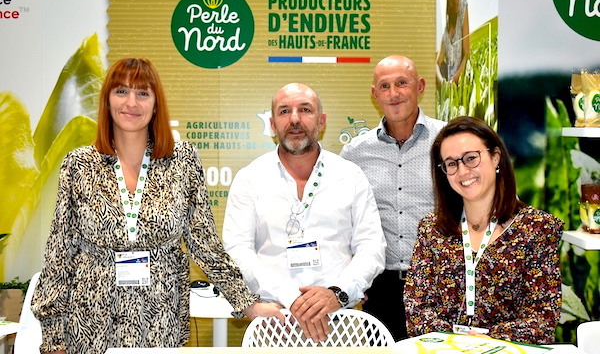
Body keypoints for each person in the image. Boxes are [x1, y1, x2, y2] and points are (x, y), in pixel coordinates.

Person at [31, 58, 283, 354]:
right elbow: (59, 253)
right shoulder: (79, 165)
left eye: (143, 93)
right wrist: (54, 340)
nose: (131, 103)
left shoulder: (183, 160)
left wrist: (247, 303)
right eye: (121, 91)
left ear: (155, 104)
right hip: (91, 320)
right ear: (107, 100)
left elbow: (204, 243)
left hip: (160, 317)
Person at [223, 83, 386, 343]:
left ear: (321, 120)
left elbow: (372, 246)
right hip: (276, 322)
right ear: (272, 124)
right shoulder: (250, 179)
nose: (295, 119)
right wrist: (292, 298)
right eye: (284, 111)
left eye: (305, 110)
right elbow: (237, 250)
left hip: (339, 322)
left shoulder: (350, 176)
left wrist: (337, 292)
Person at [404, 116, 563, 344]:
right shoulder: (432, 229)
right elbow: (416, 307)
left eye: (471, 158)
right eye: (451, 164)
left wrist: (485, 339)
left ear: (496, 157)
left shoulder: (537, 228)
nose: (462, 171)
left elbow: (543, 318)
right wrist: (457, 340)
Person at [340, 55, 445, 340]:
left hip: (441, 281)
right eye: (384, 86)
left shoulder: (448, 140)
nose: (393, 93)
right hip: (381, 287)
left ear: (420, 86)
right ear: (375, 94)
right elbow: (339, 221)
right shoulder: (354, 154)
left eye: (402, 83)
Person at [436, 0, 470, 85]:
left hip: (461, 83)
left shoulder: (463, 3)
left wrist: (456, 78)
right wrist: (443, 83)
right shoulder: (446, 32)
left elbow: (467, 55)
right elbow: (437, 63)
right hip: (449, 86)